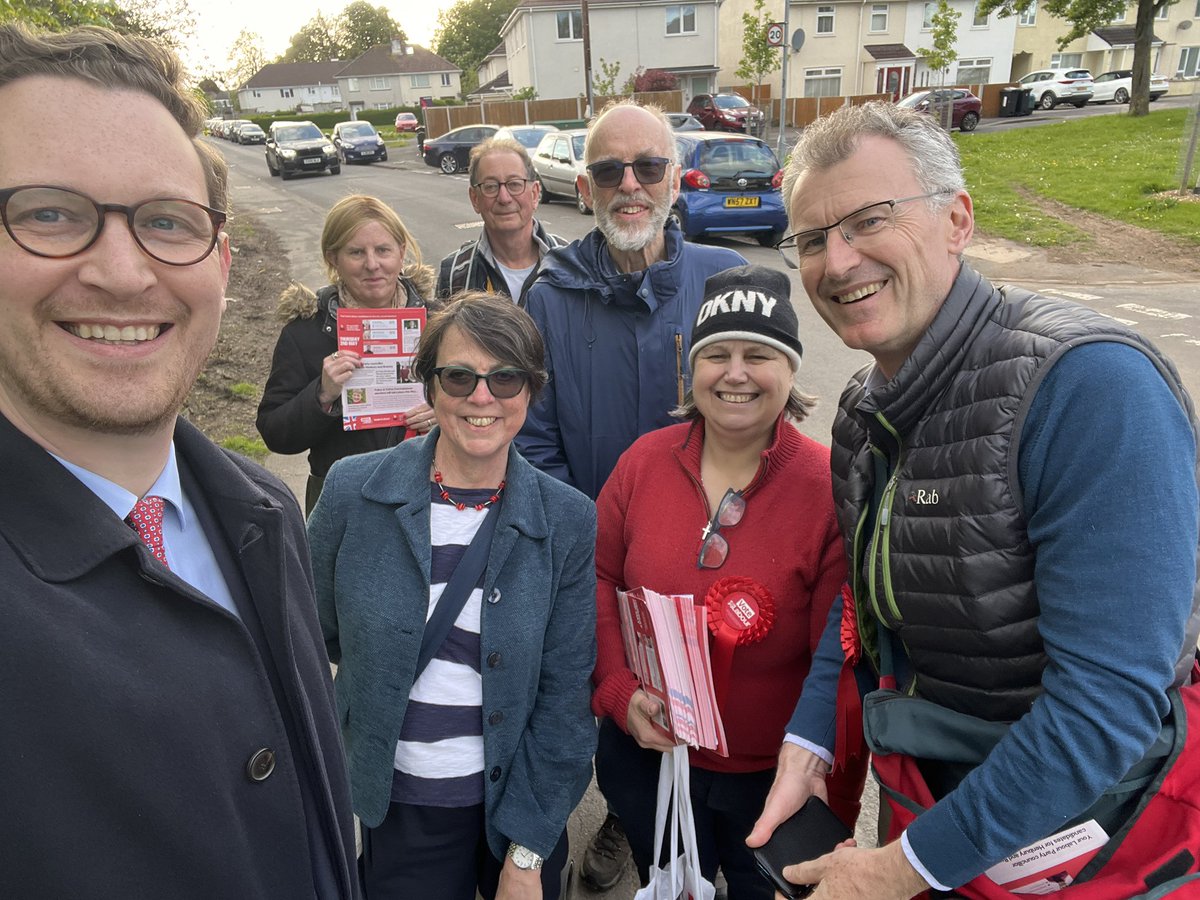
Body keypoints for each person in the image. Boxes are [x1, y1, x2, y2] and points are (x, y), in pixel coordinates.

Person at [746, 101, 1200, 898]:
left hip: (1088, 843)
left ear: (957, 219)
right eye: (812, 239)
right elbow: (863, 602)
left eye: (869, 220)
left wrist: (902, 869)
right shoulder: (862, 408)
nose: (838, 260)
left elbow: (1105, 709)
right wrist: (808, 743)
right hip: (939, 808)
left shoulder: (1090, 386)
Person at [0, 23, 357, 899]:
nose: (123, 273)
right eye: (49, 213)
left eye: (167, 222)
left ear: (220, 265)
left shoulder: (265, 517)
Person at [514, 99, 746, 889]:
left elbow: (764, 420)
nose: (630, 186)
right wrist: (597, 546)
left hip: (721, 566)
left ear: (675, 180)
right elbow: (533, 440)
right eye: (610, 171)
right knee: (626, 726)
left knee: (728, 739)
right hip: (604, 568)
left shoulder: (723, 281)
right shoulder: (549, 296)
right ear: (584, 188)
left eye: (648, 167)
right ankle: (631, 824)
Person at [307, 292, 598, 900]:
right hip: (400, 808)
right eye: (459, 375)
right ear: (429, 386)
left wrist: (525, 855)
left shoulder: (567, 519)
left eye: (506, 377)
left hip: (516, 808)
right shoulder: (353, 491)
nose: (482, 396)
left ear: (531, 389)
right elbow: (316, 631)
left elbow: (565, 697)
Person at [591, 265, 867, 898]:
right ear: (692, 371)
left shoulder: (827, 489)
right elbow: (599, 578)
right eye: (716, 354)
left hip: (770, 782)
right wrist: (616, 690)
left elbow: (839, 653)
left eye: (759, 354)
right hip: (649, 764)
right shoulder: (642, 463)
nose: (735, 373)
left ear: (792, 371)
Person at [257, 194, 437, 514]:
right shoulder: (306, 332)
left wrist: (445, 415)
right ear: (333, 258)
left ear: (401, 252)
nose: (372, 264)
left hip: (426, 491)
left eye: (383, 250)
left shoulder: (437, 323)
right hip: (341, 505)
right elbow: (275, 433)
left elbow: (479, 402)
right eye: (356, 252)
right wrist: (322, 394)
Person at [436, 137, 568, 303]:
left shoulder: (570, 262)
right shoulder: (455, 274)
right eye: (490, 186)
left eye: (514, 184)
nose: (504, 198)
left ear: (534, 194)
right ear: (475, 199)